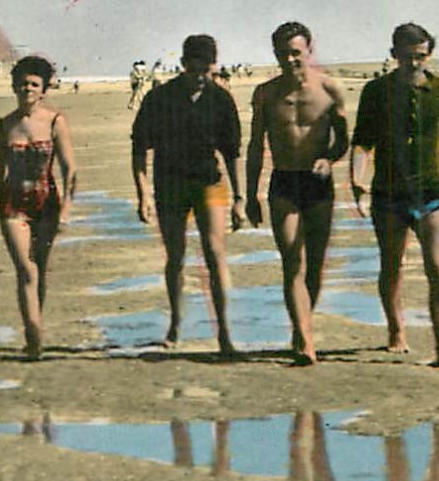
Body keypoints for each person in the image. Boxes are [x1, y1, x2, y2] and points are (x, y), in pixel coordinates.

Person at [350, 22, 439, 367]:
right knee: (392, 266)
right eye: (408, 57)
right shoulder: (376, 92)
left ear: (429, 54)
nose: (416, 63)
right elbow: (362, 142)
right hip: (388, 196)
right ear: (394, 56)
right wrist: (357, 182)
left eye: (422, 56)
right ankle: (396, 331)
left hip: (433, 194)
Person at [131, 34, 245, 356]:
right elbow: (139, 149)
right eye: (194, 68)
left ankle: (224, 332)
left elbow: (232, 152)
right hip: (170, 184)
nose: (200, 76)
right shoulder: (160, 98)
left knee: (215, 252)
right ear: (183, 64)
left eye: (206, 69)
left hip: (209, 182)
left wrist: (239, 199)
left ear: (213, 66)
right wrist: (144, 195)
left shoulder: (221, 99)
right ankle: (176, 324)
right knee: (176, 256)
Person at [245, 21, 349, 365]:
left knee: (315, 266)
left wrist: (329, 158)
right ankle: (305, 339)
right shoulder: (266, 93)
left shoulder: (331, 90)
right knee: (293, 261)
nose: (289, 60)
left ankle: (301, 326)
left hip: (318, 183)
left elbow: (343, 142)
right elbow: (256, 147)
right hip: (284, 183)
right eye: (282, 53)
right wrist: (250, 195)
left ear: (309, 50)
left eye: (295, 52)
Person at [0, 55, 76, 360]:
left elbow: (69, 169)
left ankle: (36, 323)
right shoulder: (2, 126)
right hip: (13, 204)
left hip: (47, 202)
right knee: (26, 270)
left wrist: (66, 211)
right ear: (13, 86)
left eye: (34, 84)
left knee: (41, 270)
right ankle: (33, 336)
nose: (27, 89)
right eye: (22, 83)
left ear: (44, 89)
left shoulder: (54, 121)